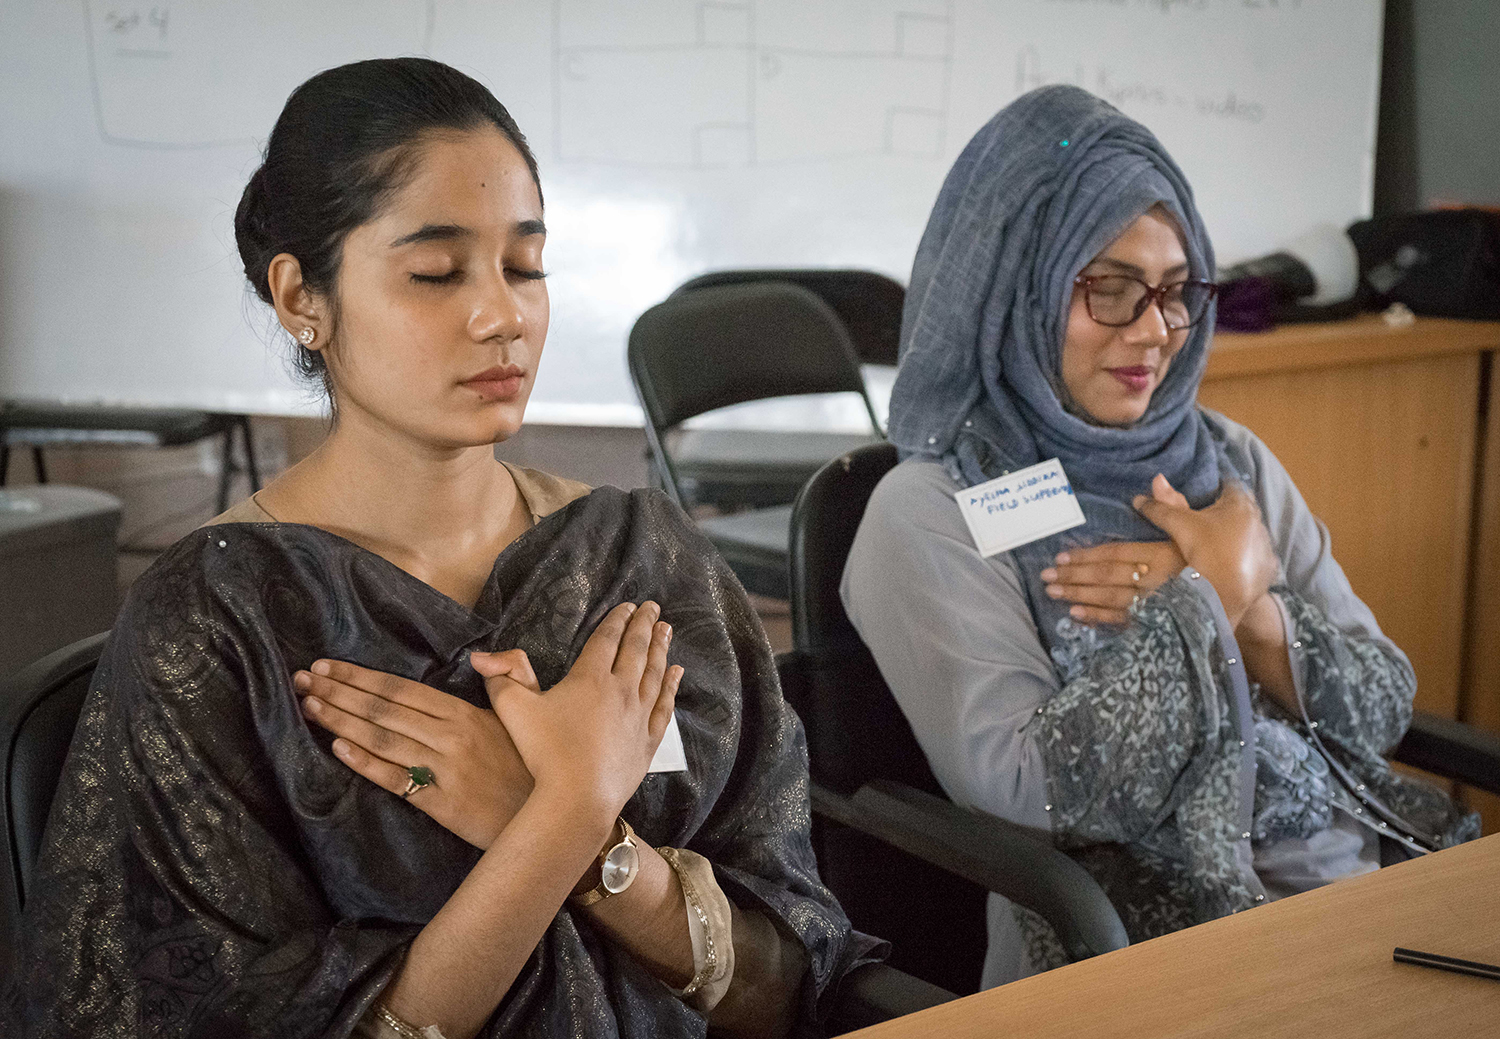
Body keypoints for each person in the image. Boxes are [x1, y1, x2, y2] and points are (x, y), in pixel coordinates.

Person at [4, 58, 879, 1038]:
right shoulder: (216, 621)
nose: (502, 313)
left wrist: (591, 846)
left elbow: (787, 988)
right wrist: (555, 821)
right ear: (302, 297)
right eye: (436, 271)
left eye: (525, 266)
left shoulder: (646, 564)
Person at [841, 85, 1477, 988]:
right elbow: (1029, 785)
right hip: (1131, 952)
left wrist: (1252, 608)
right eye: (1109, 289)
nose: (1154, 332)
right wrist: (1208, 595)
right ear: (1015, 289)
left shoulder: (1227, 459)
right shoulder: (933, 507)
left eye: (1177, 292)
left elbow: (1381, 705)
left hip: (1354, 909)